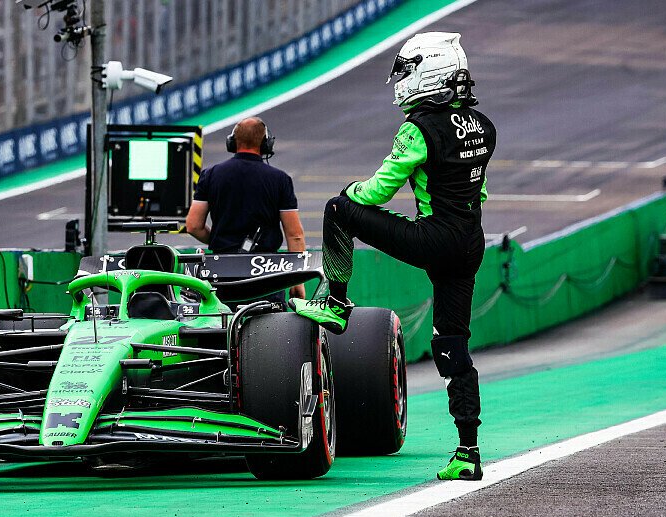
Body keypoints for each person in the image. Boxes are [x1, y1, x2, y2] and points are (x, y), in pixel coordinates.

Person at [290, 33, 496, 481]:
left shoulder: (418, 128)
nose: (401, 80)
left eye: (407, 70)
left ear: (429, 72)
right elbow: (478, 191)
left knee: (337, 209)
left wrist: (351, 194)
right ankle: (468, 450)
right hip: (470, 243)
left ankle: (334, 301)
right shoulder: (483, 124)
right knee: (452, 346)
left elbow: (380, 190)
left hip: (435, 239)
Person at [185, 116, 306, 303]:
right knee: (271, 329)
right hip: (267, 273)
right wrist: (297, 281)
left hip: (222, 272)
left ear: (232, 142)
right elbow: (295, 235)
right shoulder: (280, 179)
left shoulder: (211, 175)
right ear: (266, 144)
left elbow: (193, 225)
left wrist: (222, 242)